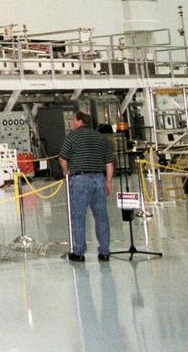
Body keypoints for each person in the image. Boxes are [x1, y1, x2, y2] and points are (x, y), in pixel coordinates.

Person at [59, 110, 114, 262]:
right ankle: (104, 252)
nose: (71, 123)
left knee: (78, 216)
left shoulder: (72, 136)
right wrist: (108, 182)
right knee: (101, 217)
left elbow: (62, 158)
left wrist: (67, 172)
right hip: (99, 179)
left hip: (80, 180)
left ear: (79, 121)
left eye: (73, 120)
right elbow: (109, 163)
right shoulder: (101, 138)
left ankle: (79, 252)